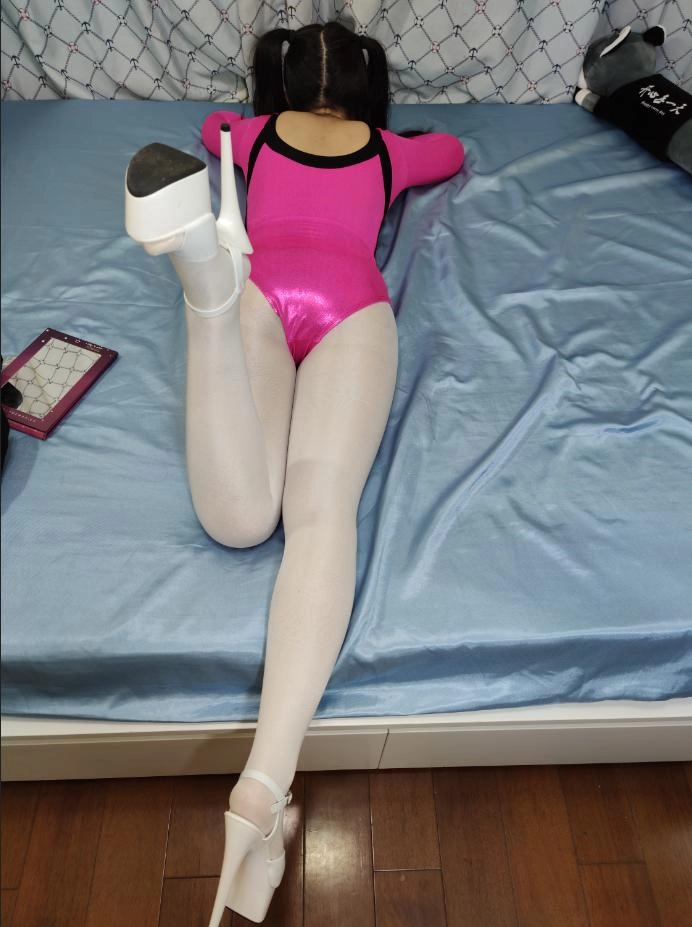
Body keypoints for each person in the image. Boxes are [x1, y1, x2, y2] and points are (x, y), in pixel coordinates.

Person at [125, 20, 463, 925]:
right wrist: (396, 138)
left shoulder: (251, 136)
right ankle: (264, 784)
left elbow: (207, 129)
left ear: (278, 84)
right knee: (321, 514)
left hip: (262, 292)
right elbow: (453, 150)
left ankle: (208, 296)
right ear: (364, 87)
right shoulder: (389, 151)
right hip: (350, 304)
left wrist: (251, 116)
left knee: (240, 521)